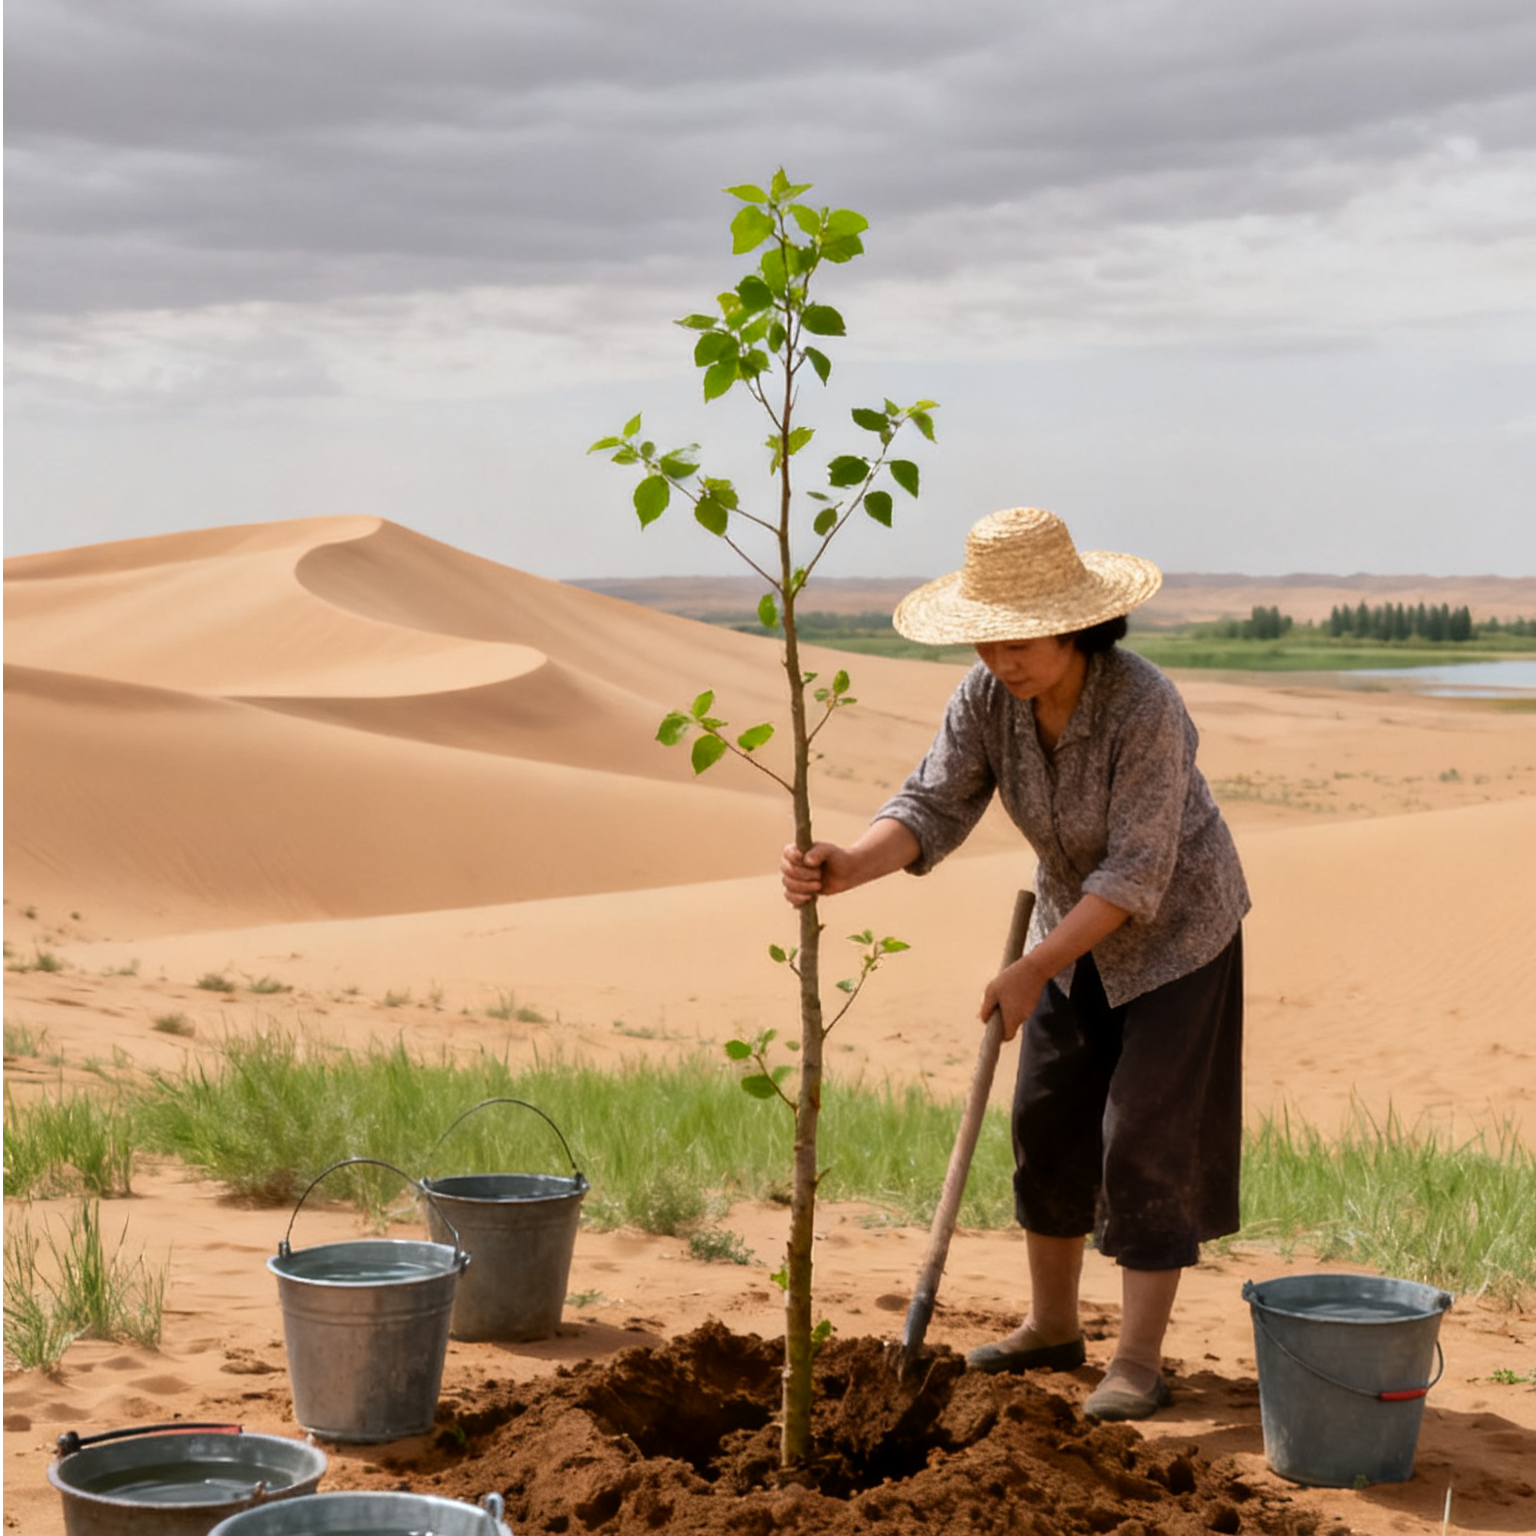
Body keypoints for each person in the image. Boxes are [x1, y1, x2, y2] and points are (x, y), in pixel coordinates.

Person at [781, 506, 1249, 1422]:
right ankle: (1052, 1327)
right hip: (1069, 938)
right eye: (986, 640)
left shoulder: (1145, 705)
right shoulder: (986, 698)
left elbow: (1137, 874)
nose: (1001, 660)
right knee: (1046, 1121)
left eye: (1019, 642)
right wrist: (850, 865)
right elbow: (932, 803)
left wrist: (1034, 965)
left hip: (1176, 940)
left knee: (1144, 1141)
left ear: (1076, 626)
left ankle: (1138, 1362)